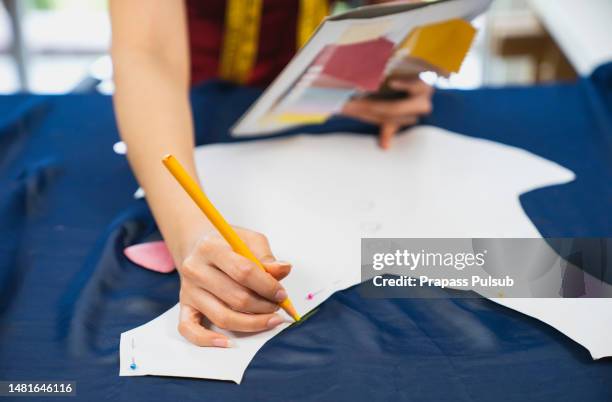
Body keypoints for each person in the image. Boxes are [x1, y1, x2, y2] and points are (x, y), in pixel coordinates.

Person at [110, 0, 433, 347]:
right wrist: (190, 233)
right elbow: (149, 53)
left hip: (320, 105)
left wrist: (395, 62)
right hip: (179, 115)